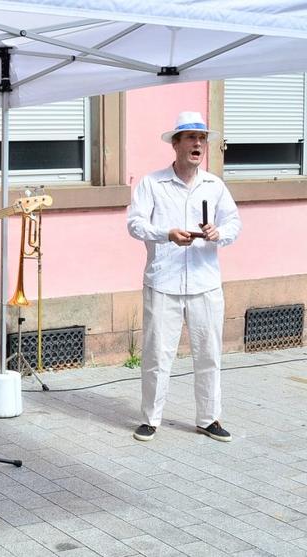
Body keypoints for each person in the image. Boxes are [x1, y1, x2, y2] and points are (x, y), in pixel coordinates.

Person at [127, 111, 241, 443]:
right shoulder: (152, 183)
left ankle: (208, 418)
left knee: (209, 354)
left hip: (205, 282)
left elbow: (234, 223)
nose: (198, 144)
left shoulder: (214, 185)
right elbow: (135, 223)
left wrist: (218, 233)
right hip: (164, 282)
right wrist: (166, 234)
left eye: (202, 138)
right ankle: (150, 419)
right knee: (156, 355)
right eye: (191, 137)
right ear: (175, 144)